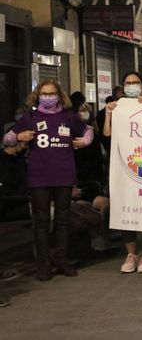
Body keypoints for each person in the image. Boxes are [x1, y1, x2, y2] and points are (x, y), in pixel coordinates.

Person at [4, 79, 93, 280]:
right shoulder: (30, 117)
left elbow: (88, 130)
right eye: (44, 93)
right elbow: (7, 138)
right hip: (39, 177)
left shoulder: (68, 116)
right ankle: (43, 263)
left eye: (52, 93)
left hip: (64, 175)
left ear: (59, 95)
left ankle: (62, 260)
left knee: (62, 221)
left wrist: (85, 140)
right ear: (37, 95)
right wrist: (19, 137)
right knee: (41, 222)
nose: (48, 97)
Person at [104, 72, 142, 274]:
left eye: (135, 82)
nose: (131, 86)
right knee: (127, 208)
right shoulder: (118, 107)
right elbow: (107, 133)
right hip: (124, 165)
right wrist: (109, 113)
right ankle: (131, 255)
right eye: (127, 83)